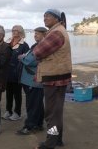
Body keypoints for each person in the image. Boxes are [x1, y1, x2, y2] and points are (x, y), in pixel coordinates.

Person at [32, 9, 72, 149]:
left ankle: (50, 143)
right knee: (57, 112)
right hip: (60, 77)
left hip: (54, 79)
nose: (44, 18)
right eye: (43, 16)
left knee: (51, 115)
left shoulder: (56, 33)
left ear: (56, 18)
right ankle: (57, 139)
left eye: (47, 16)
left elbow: (37, 51)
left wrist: (38, 49)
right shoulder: (60, 30)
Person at [16, 27, 47, 135]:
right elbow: (31, 57)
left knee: (32, 104)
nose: (35, 35)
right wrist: (26, 57)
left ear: (44, 35)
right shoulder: (36, 45)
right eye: (35, 33)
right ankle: (38, 124)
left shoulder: (42, 46)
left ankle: (29, 126)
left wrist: (22, 58)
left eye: (38, 34)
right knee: (37, 104)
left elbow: (30, 61)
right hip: (32, 79)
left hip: (33, 80)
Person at [3, 25, 29, 121]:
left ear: (21, 32)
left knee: (17, 93)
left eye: (16, 30)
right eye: (13, 30)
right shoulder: (7, 42)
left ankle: (17, 113)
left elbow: (27, 59)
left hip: (18, 73)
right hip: (7, 72)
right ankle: (8, 111)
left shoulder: (24, 45)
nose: (14, 32)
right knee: (8, 93)